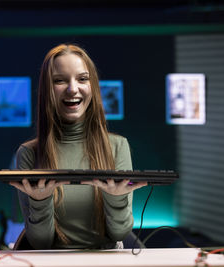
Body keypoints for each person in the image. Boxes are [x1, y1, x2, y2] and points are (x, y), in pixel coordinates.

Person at [10, 44, 147, 249]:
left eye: (82, 79)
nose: (73, 88)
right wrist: (40, 202)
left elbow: (119, 233)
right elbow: (41, 243)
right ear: (48, 89)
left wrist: (116, 199)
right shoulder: (29, 153)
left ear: (92, 86)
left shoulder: (118, 146)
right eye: (59, 80)